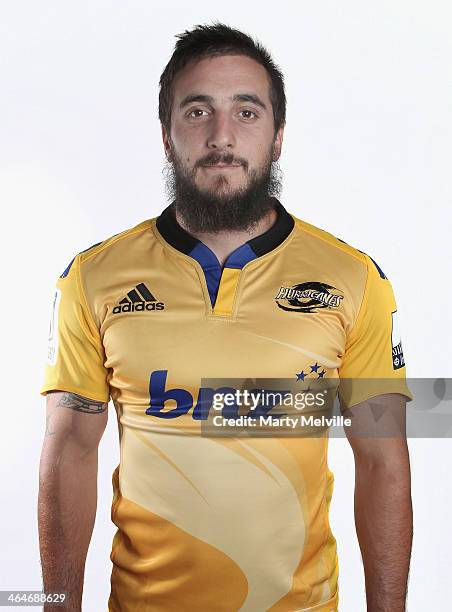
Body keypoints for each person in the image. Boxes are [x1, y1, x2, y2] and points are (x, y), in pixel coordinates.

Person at [38, 22, 413, 612]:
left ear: (278, 134)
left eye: (246, 112)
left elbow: (383, 457)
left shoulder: (355, 279)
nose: (221, 136)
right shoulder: (93, 278)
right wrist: (56, 605)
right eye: (197, 112)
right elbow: (70, 452)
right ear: (166, 135)